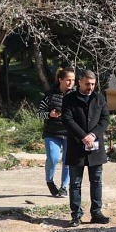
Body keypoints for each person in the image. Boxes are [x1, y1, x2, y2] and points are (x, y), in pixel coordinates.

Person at [63, 69, 110, 227]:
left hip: (95, 148)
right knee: (75, 183)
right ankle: (76, 215)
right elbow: (68, 120)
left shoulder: (99, 98)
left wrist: (93, 135)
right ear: (80, 83)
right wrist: (83, 136)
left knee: (96, 181)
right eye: (87, 84)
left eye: (93, 84)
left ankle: (96, 213)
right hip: (77, 147)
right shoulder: (69, 99)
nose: (90, 87)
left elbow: (104, 119)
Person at [40, 68, 76, 197]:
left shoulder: (76, 95)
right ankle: (49, 181)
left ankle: (64, 187)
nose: (71, 83)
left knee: (67, 161)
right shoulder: (50, 95)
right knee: (53, 158)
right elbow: (39, 114)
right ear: (60, 80)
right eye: (68, 80)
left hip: (70, 133)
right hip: (52, 132)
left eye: (73, 80)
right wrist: (49, 115)